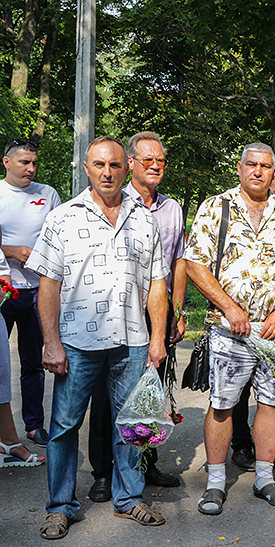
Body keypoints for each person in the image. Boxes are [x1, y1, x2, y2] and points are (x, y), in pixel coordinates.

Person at [27, 137, 169, 540]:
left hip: (132, 340)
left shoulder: (145, 220)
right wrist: (51, 342)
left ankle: (129, 498)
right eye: (99, 165)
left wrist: (157, 338)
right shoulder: (62, 218)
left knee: (133, 425)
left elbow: (157, 283)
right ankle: (60, 507)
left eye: (115, 165)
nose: (107, 172)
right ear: (86, 168)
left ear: (126, 168)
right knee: (64, 427)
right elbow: (49, 285)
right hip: (76, 343)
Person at [185, 142, 275, 516]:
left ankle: (264, 479)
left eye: (265, 166)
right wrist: (229, 307)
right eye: (251, 164)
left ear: (274, 172)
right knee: (222, 404)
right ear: (240, 168)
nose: (258, 171)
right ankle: (215, 483)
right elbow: (195, 264)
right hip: (229, 329)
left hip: (274, 330)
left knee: (271, 403)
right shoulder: (216, 207)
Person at [86, 132, 185, 502]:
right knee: (106, 395)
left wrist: (177, 311)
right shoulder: (114, 200)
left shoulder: (172, 209)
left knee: (149, 390)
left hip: (159, 306)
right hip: (118, 307)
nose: (156, 166)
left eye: (161, 160)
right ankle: (103, 472)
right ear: (130, 164)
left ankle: (145, 463)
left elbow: (178, 262)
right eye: (148, 160)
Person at [0, 138, 61, 448]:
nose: (31, 168)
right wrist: (12, 251)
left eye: (35, 163)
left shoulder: (48, 194)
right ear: (6, 162)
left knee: (34, 362)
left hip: (39, 291)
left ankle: (34, 426)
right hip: (4, 290)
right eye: (25, 162)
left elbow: (60, 238)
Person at [230, 173, 275, 473]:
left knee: (271, 394)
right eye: (274, 192)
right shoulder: (231, 212)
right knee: (237, 393)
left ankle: (265, 450)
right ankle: (241, 445)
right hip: (237, 325)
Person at [0, 243, 45, 468]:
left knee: (9, 371)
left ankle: (18, 435)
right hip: (10, 298)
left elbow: (2, 272)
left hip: (32, 288)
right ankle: (9, 441)